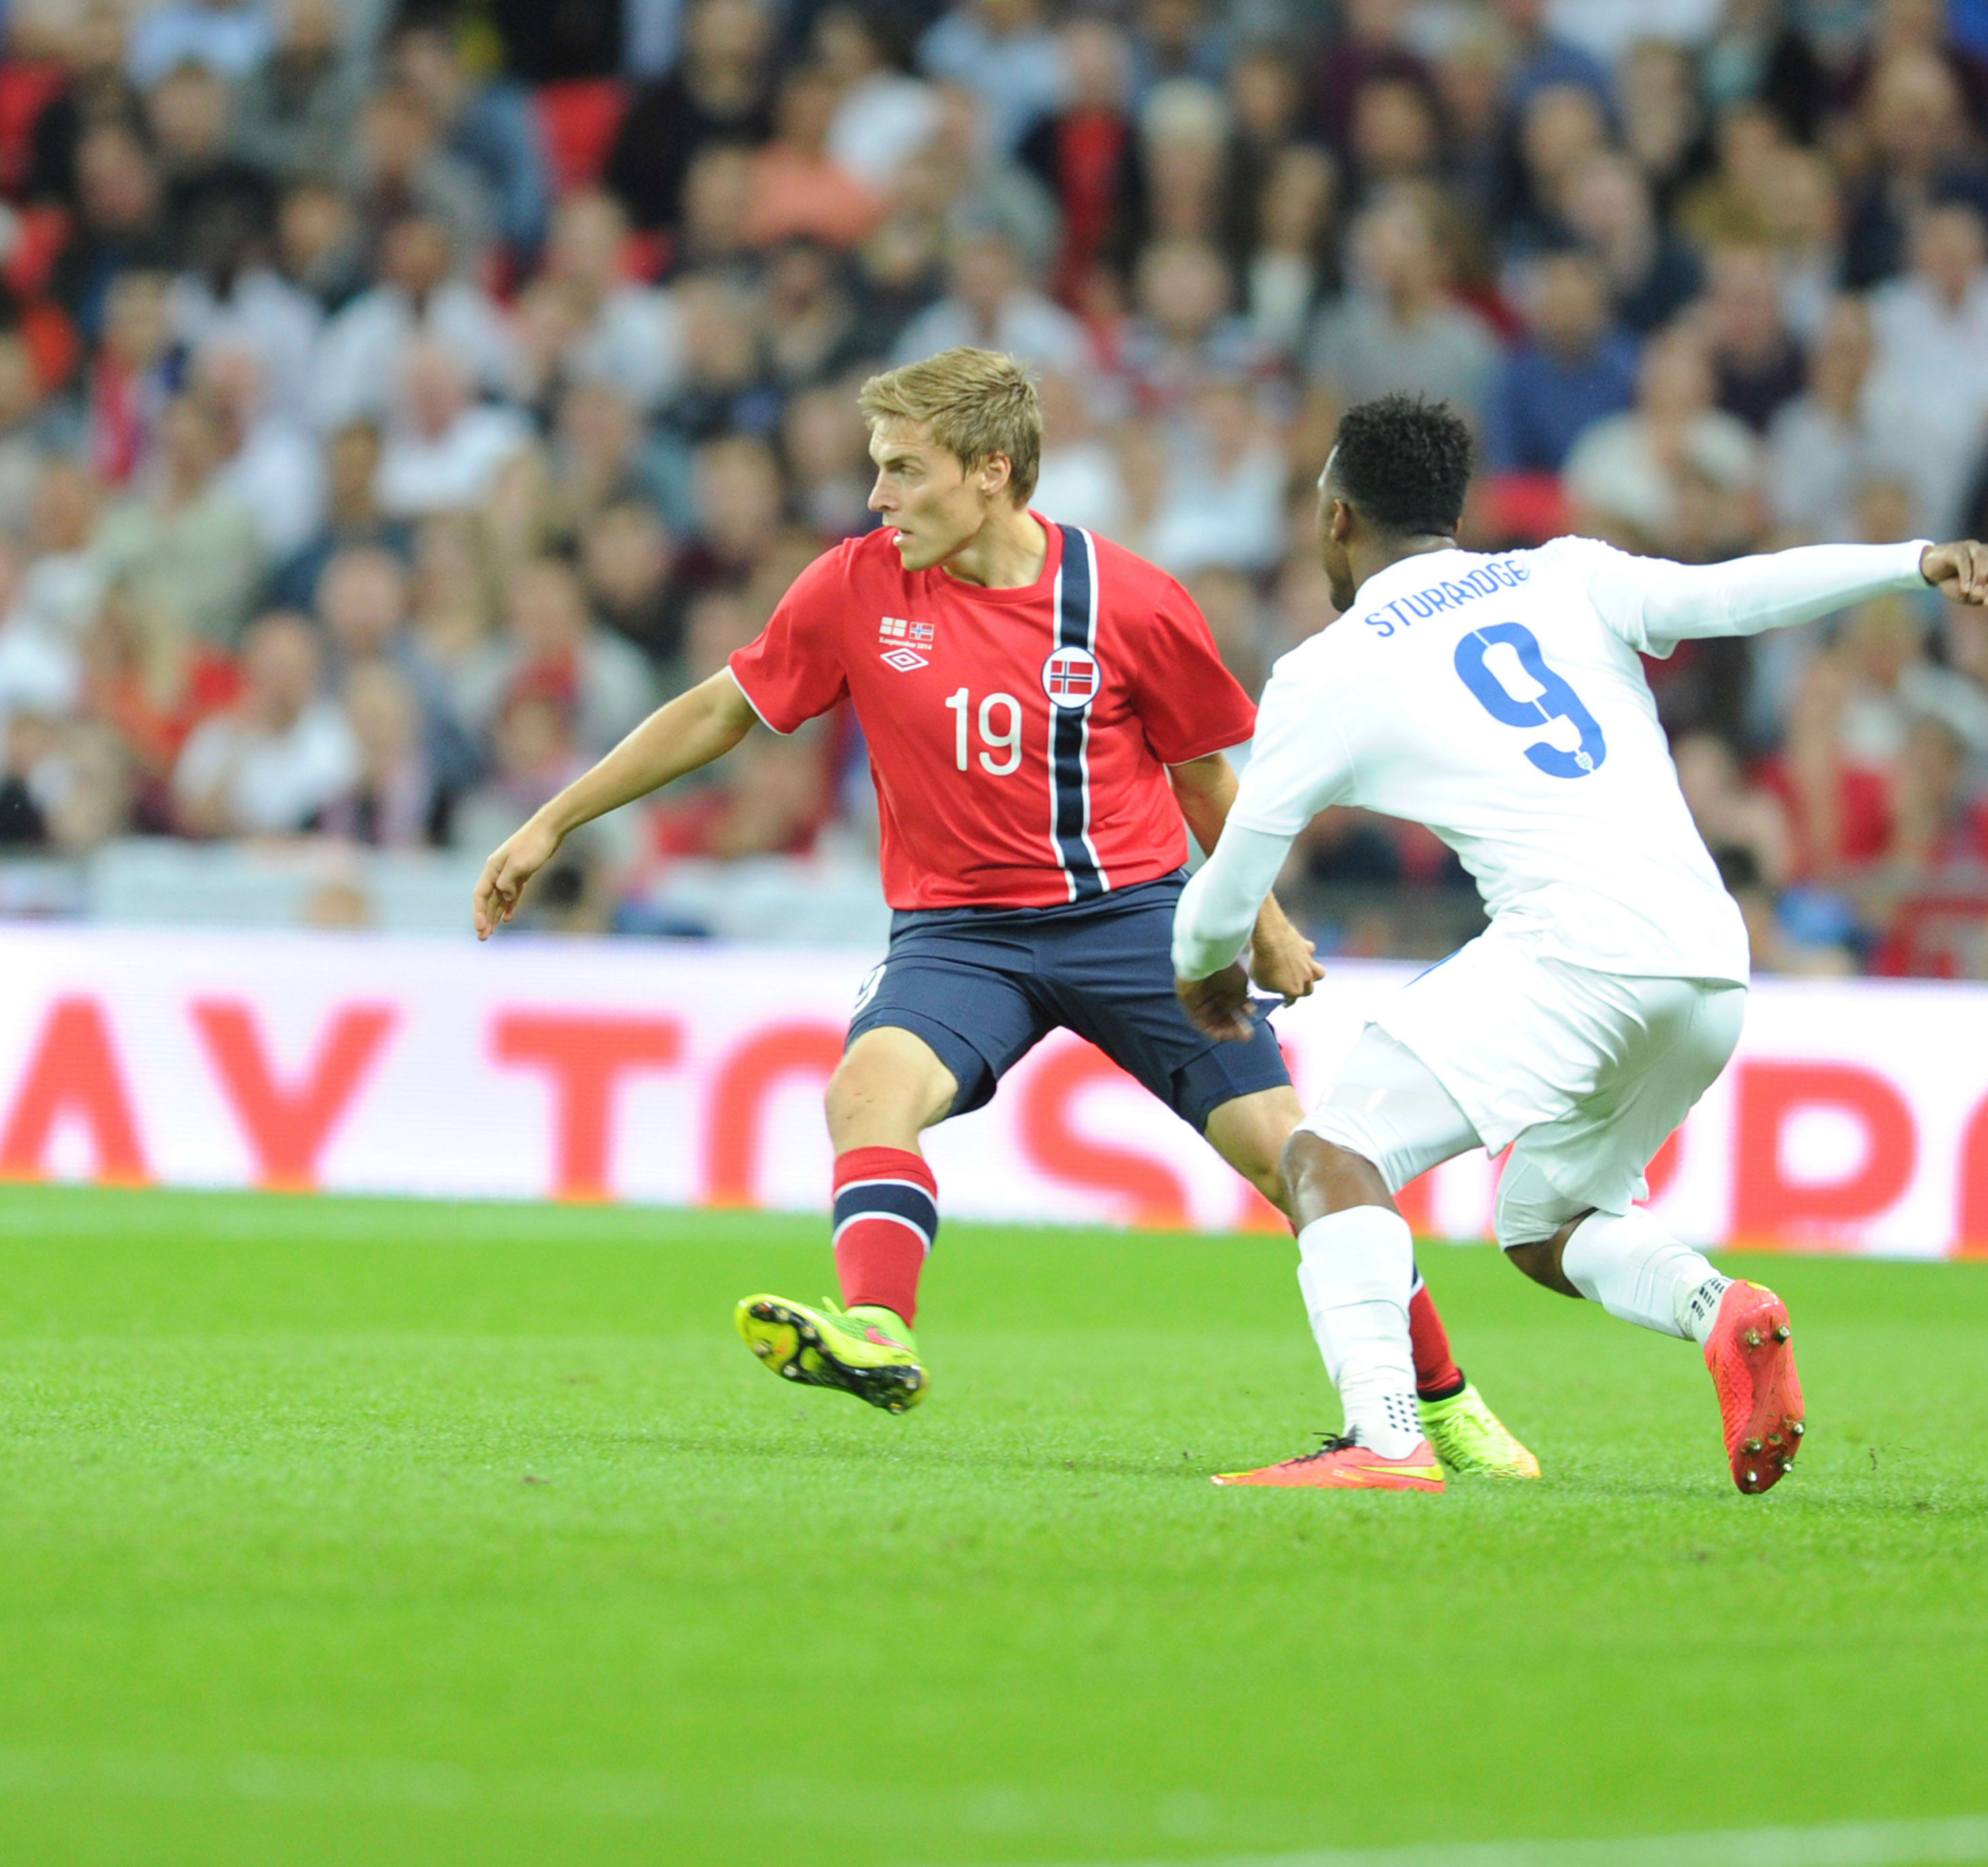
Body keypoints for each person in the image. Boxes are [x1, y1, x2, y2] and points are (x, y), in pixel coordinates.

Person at [474, 348, 1537, 1477]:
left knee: (1294, 1160)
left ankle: (1445, 1405)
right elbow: (720, 710)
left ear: (990, 471)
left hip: (1132, 921)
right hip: (960, 936)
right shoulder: (853, 586)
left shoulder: (1129, 600)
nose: (877, 497)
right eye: (877, 468)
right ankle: (877, 1329)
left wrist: (1262, 921)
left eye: (903, 470)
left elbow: (1202, 778)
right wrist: (554, 822)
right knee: (866, 1094)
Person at [1170, 394, 1988, 1494]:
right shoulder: (1562, 572)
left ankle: (1381, 1439)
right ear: (1452, 510)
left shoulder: (1326, 670)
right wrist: (1913, 562)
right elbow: (1735, 593)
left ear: (1335, 519)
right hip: (1706, 961)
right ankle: (1719, 1307)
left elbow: (1229, 883)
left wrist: (1206, 971)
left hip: (1573, 950)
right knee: (1548, 1221)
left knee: (1328, 1157)